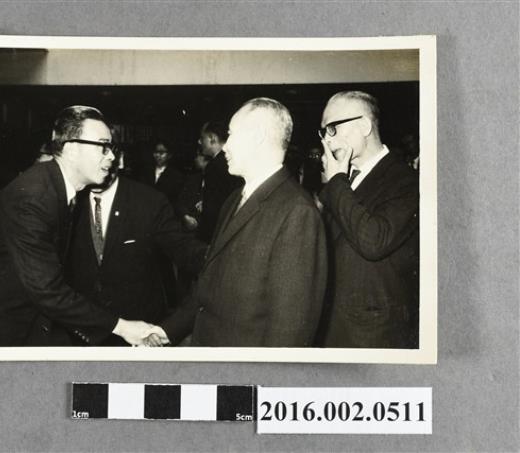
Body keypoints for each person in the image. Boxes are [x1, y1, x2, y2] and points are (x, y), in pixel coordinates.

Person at [147, 98, 328, 347]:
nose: (226, 147)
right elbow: (210, 279)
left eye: (231, 135)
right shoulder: (235, 198)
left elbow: (289, 330)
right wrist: (166, 331)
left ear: (258, 137)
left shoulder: (298, 212)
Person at [0, 105, 155, 346]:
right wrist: (122, 327)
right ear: (71, 150)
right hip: (11, 329)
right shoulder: (33, 198)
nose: (111, 156)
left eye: (111, 147)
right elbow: (47, 290)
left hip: (37, 319)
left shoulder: (58, 187)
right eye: (103, 146)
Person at [65, 152, 208, 345]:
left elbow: (186, 251)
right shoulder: (66, 200)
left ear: (119, 159)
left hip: (140, 332)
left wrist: (223, 255)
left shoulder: (149, 201)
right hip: (81, 331)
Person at [315, 91, 419, 348]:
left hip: (373, 334)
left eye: (332, 128)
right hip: (336, 324)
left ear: (364, 126)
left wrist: (336, 183)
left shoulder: (405, 180)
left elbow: (373, 241)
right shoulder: (343, 178)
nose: (327, 140)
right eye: (324, 132)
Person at [196, 121, 243, 242]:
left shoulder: (214, 166)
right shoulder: (234, 161)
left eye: (202, 138)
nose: (199, 142)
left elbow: (212, 209)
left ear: (212, 138)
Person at [141, 140, 185, 206]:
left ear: (169, 155)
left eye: (161, 152)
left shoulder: (176, 176)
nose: (158, 155)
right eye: (156, 152)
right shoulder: (146, 172)